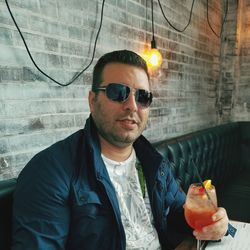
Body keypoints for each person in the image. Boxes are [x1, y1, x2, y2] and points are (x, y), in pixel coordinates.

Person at [12, 50, 230, 250]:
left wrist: (216, 225)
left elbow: (179, 214)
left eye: (143, 97)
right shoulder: (51, 171)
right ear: (92, 100)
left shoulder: (153, 163)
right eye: (118, 92)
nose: (132, 106)